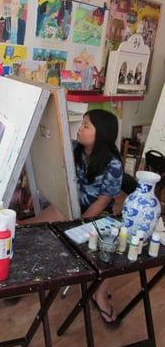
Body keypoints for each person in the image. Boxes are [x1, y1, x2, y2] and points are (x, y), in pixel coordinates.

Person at [74, 109, 122, 326]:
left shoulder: (113, 164)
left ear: (101, 134)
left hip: (97, 213)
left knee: (111, 244)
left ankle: (99, 294)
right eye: (82, 124)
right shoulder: (76, 149)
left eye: (86, 125)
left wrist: (76, 224)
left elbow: (103, 201)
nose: (79, 128)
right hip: (73, 205)